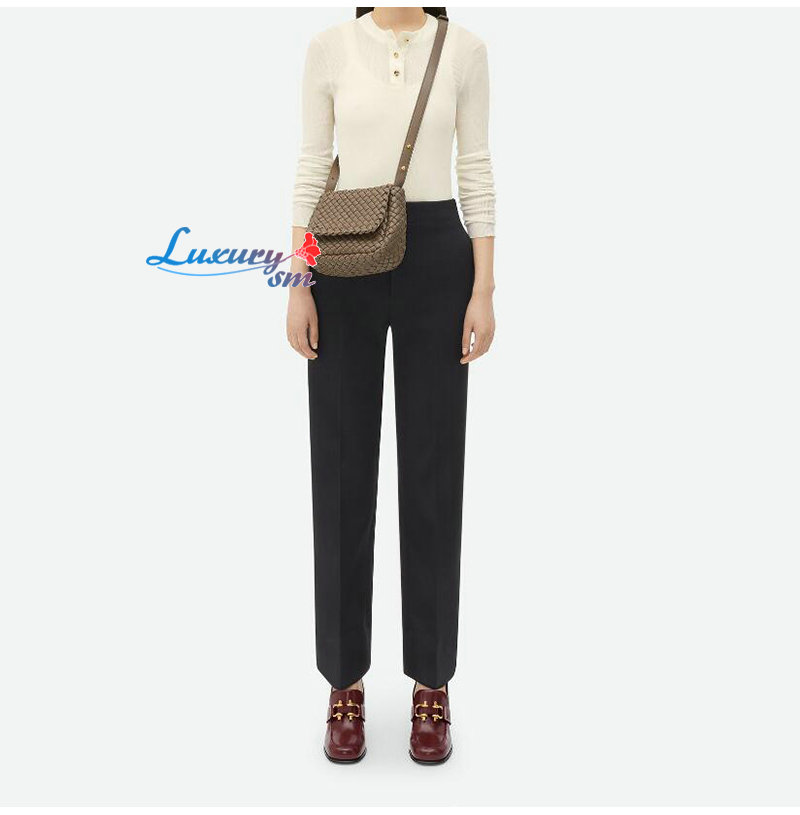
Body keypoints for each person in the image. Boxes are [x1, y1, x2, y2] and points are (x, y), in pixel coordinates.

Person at [287, 6, 496, 764]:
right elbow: (313, 167)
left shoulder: (465, 49)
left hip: (438, 256)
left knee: (433, 470)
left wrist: (483, 288)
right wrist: (298, 280)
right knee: (342, 467)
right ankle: (343, 680)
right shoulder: (328, 47)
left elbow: (476, 169)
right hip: (343, 255)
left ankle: (432, 683)